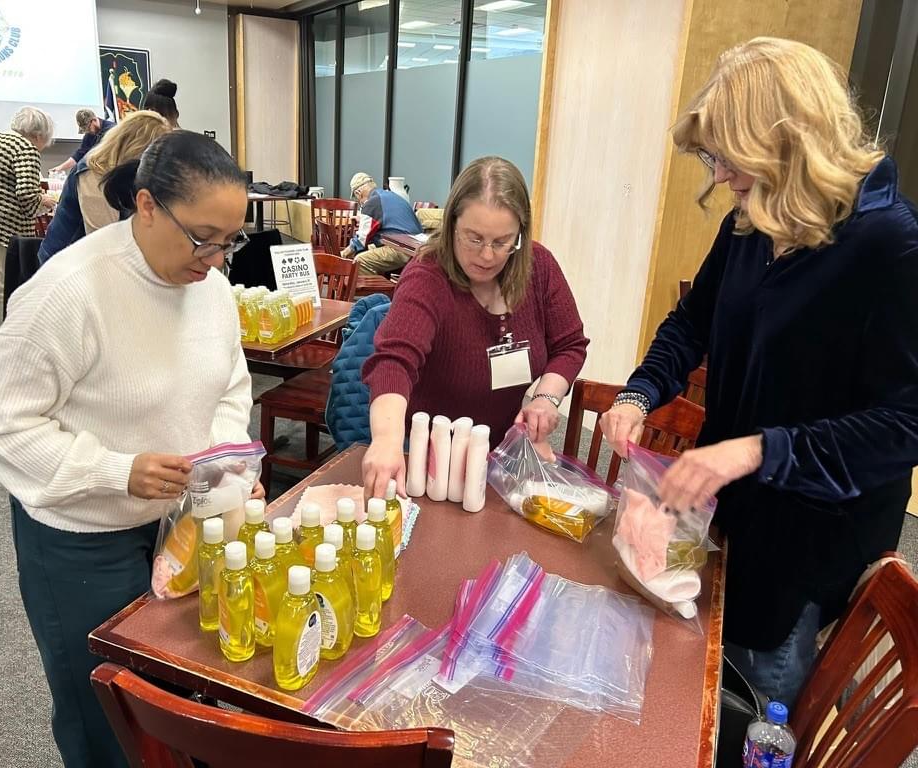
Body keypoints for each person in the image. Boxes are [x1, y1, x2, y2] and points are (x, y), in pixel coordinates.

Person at [600, 37, 918, 707]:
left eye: (725, 158)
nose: (718, 178)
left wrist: (759, 449)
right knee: (690, 678)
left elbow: (903, 425)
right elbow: (691, 325)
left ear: (785, 140)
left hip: (806, 545)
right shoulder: (750, 223)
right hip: (728, 515)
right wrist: (641, 391)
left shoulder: (889, 244)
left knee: (750, 699)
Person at [0, 131, 257, 768]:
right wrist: (114, 471)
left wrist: (226, 458)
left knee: (178, 689)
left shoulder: (208, 286)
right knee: (104, 707)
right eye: (202, 237)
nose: (215, 258)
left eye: (229, 240)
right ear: (147, 205)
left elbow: (229, 385)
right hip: (81, 536)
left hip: (178, 523)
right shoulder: (67, 291)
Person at [361, 156, 589, 499]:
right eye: (474, 238)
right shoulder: (428, 276)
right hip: (429, 457)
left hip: (502, 455)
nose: (486, 255)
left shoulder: (538, 266)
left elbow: (569, 344)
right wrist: (386, 441)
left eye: (502, 242)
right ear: (452, 224)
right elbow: (394, 361)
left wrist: (545, 398)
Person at [38, 110, 171, 263]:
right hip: (67, 265)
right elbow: (105, 247)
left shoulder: (125, 172)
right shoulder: (95, 176)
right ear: (139, 150)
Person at [0, 106, 57, 322]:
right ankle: (6, 336)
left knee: (1, 281)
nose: (43, 146)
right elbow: (27, 194)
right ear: (37, 135)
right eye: (44, 141)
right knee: (9, 285)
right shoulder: (26, 148)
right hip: (7, 226)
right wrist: (45, 201)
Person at [341, 171, 424, 274]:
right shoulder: (389, 195)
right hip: (416, 244)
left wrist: (343, 254)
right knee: (371, 251)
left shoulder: (372, 202)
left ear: (358, 193)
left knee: (361, 261)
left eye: (356, 198)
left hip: (404, 248)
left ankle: (375, 290)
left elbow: (361, 240)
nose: (359, 201)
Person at [50, 109, 115, 174]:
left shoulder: (112, 130)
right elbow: (79, 154)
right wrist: (60, 168)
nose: (88, 131)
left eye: (89, 128)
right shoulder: (90, 134)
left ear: (94, 120)